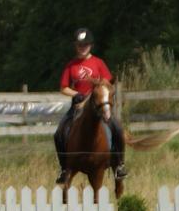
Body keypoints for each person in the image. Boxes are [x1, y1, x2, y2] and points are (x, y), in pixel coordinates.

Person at [53, 27, 126, 184]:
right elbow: (63, 87)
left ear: (90, 46)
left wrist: (97, 92)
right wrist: (76, 94)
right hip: (78, 106)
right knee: (59, 133)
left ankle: (119, 165)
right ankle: (64, 168)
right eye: (80, 45)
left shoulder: (98, 63)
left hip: (98, 106)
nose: (82, 48)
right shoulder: (71, 66)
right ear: (76, 46)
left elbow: (108, 83)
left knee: (117, 129)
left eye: (85, 45)